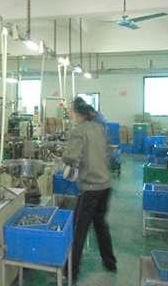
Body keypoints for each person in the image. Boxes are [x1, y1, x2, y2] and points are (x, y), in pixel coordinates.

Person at [64, 97, 117, 283]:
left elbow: (71, 156)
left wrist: (66, 158)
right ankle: (110, 262)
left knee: (79, 228)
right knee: (100, 223)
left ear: (76, 113)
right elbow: (108, 152)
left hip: (91, 186)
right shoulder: (98, 128)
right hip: (105, 184)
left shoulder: (78, 131)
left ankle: (71, 271)